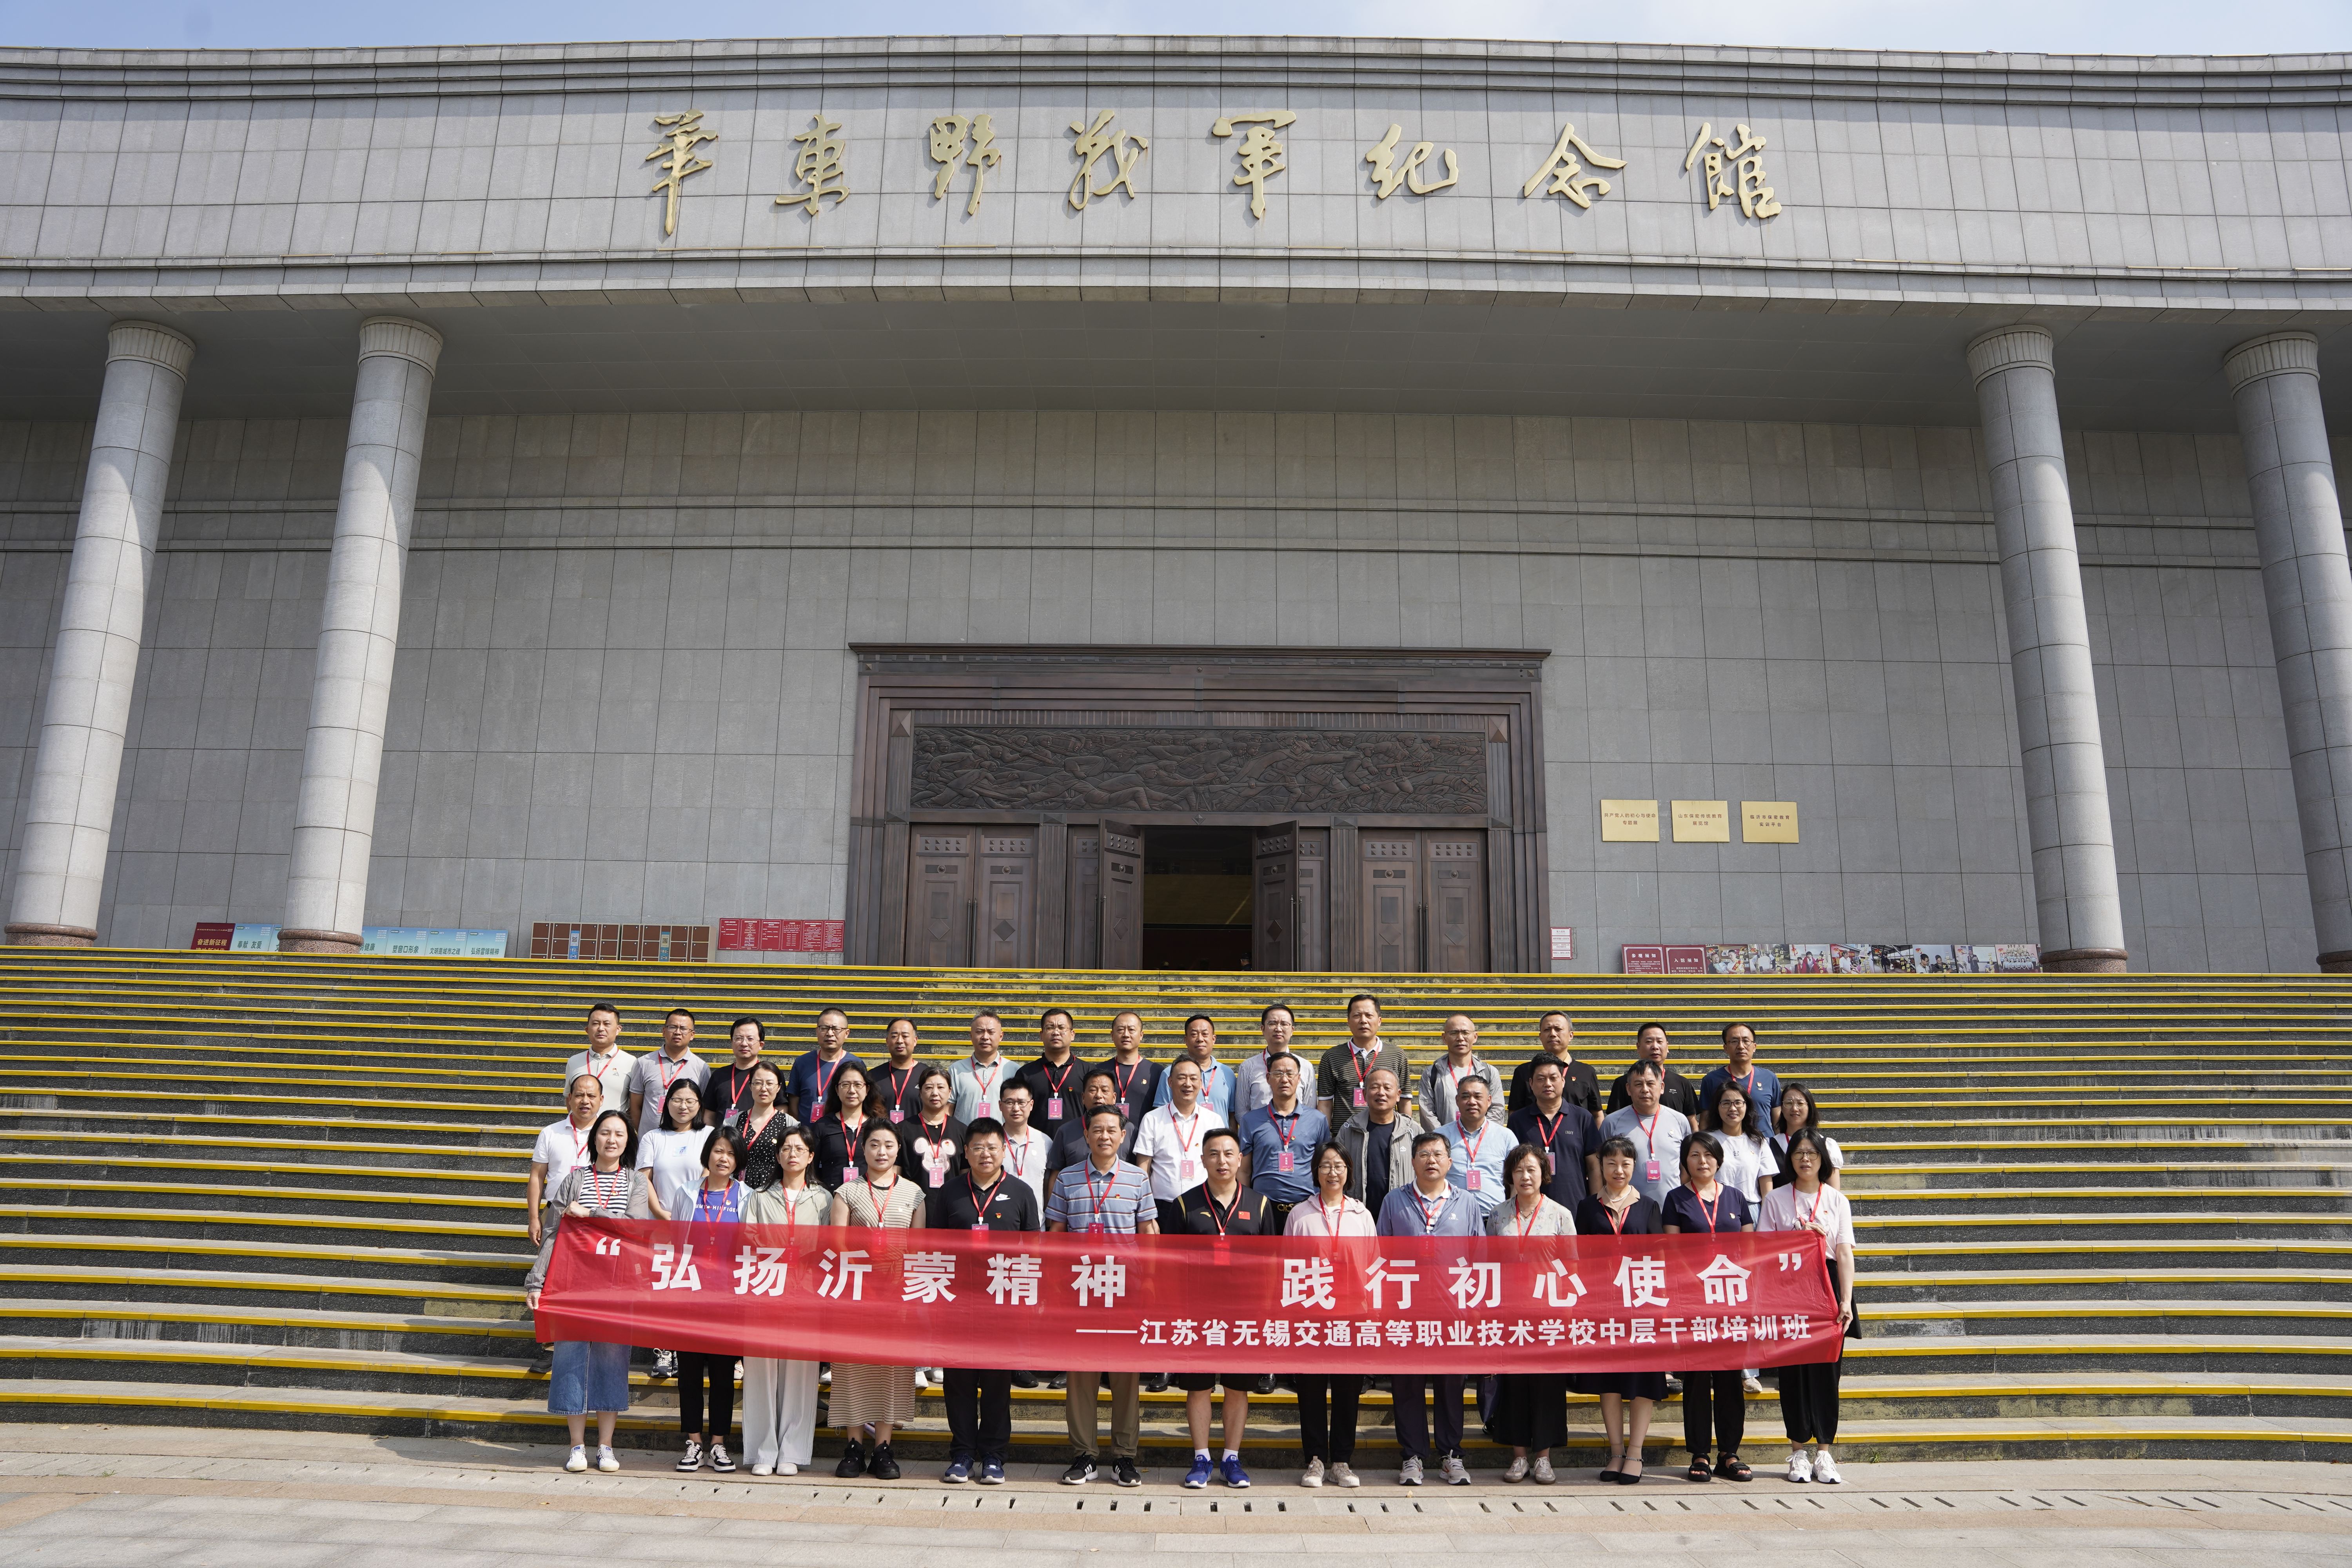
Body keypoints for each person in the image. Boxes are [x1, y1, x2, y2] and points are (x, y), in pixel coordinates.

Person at [524, 1107, 653, 1474]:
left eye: (620, 1134)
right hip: (574, 1284)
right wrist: (537, 1282)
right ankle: (577, 1446)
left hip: (617, 1285)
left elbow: (634, 1227)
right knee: (571, 1358)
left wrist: (591, 1213)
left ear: (628, 1142)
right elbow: (553, 1233)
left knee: (613, 1361)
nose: (612, 1140)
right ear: (594, 1137)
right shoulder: (575, 1179)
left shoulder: (636, 1182)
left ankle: (606, 1447)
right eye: (605, 1132)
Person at [1046, 1104, 1157, 1487]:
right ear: (1087, 1135)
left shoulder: (1137, 1178)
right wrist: (1055, 1284)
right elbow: (1056, 1233)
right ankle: (1085, 1455)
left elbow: (1148, 1232)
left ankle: (1124, 1457)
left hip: (1125, 1289)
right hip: (1080, 1288)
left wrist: (1150, 1281)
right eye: (1098, 1130)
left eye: (1112, 1130)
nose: (1105, 1136)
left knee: (1126, 1376)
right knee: (1081, 1376)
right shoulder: (1067, 1178)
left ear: (1123, 1136)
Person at [930, 1116, 1041, 1485]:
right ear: (966, 1152)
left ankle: (993, 1456)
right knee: (958, 1383)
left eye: (993, 1147)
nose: (985, 1154)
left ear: (1004, 1150)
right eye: (977, 1147)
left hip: (1003, 1304)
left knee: (996, 1383)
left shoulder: (1022, 1192)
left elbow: (1034, 1250)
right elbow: (935, 1247)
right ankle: (962, 1454)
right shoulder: (949, 1192)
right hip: (957, 1303)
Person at [1376, 1132, 1479, 1486]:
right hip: (1407, 1310)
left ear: (1450, 1162)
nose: (1431, 1160)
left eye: (1438, 1154)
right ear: (1413, 1162)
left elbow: (1479, 1257)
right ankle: (1413, 1456)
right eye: (1423, 1154)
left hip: (1453, 1312)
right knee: (1407, 1384)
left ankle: (1452, 1456)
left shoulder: (1467, 1202)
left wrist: (1474, 1307)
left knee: (1452, 1385)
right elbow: (1381, 1254)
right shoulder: (1394, 1201)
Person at [1169, 1128, 1269, 1488]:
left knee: (1237, 1387)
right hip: (1197, 1312)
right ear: (1203, 1160)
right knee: (1198, 1387)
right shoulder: (1184, 1204)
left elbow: (1271, 1264)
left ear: (1240, 1159)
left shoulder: (1260, 1204)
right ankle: (1201, 1458)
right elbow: (1170, 1264)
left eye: (1229, 1154)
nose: (1221, 1161)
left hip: (1243, 1314)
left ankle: (1231, 1458)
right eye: (1214, 1154)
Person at [1757, 1128, 1857, 1484]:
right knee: (1793, 1374)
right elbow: (1763, 1251)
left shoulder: (1837, 1200)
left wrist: (1846, 1300)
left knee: (1828, 1374)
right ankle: (1798, 1452)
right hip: (1789, 1287)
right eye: (1799, 1153)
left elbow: (1844, 1253)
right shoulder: (1776, 1199)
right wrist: (1795, 1239)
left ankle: (1825, 1453)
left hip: (1827, 1287)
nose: (1805, 1159)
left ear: (1822, 1159)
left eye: (1812, 1153)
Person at [829, 1120, 926, 1480]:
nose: (881, 1151)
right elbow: (838, 1244)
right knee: (851, 1368)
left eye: (888, 1145)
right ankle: (854, 1447)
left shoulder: (915, 1193)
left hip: (897, 1296)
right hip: (857, 1293)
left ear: (898, 1149)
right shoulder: (847, 1192)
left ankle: (884, 1448)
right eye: (874, 1144)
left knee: (892, 1370)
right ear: (863, 1149)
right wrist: (868, 1274)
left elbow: (918, 1247)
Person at [1662, 1132, 1756, 1484]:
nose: (1702, 1161)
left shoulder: (1735, 1197)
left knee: (1731, 1376)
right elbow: (1673, 1252)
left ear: (1719, 1160)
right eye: (1695, 1155)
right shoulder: (1676, 1199)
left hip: (1731, 1298)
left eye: (1708, 1155)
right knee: (1698, 1378)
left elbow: (1750, 1248)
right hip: (1693, 1300)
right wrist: (1698, 1285)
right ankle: (1700, 1453)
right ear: (1685, 1161)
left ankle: (1729, 1453)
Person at [1574, 1135, 1666, 1484]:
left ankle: (1636, 1453)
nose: (1618, 1170)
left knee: (1642, 1379)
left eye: (1625, 1164)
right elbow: (1579, 1258)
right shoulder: (1587, 1207)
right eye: (1611, 1163)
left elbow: (1659, 1258)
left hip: (1640, 1304)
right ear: (1601, 1166)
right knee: (1609, 1381)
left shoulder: (1649, 1206)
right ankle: (1615, 1452)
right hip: (1603, 1305)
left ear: (1634, 1166)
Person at [1285, 1143, 1374, 1488]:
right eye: (1325, 1166)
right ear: (1316, 1172)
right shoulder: (1300, 1215)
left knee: (1347, 1390)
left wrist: (1371, 1311)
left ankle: (1341, 1461)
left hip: (1352, 1314)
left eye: (1339, 1166)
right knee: (1310, 1389)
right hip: (1311, 1314)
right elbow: (1289, 1266)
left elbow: (1373, 1264)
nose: (1332, 1172)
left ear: (1348, 1171)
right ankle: (1315, 1460)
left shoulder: (1362, 1215)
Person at [742, 1125, 828, 1476]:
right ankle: (763, 1452)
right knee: (761, 1371)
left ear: (810, 1157)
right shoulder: (759, 1197)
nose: (793, 1154)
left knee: (801, 1373)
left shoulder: (824, 1199)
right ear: (778, 1157)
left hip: (806, 1295)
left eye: (800, 1149)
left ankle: (792, 1451)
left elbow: (830, 1248)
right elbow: (747, 1241)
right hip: (766, 1290)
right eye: (787, 1149)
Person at [1486, 1142, 1573, 1484]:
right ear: (1510, 1175)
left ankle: (1544, 1458)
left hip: (1548, 1313)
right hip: (1510, 1312)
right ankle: (1519, 1456)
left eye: (1532, 1170)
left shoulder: (1560, 1215)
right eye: (1519, 1170)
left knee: (1547, 1384)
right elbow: (1490, 1264)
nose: (1525, 1176)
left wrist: (1567, 1311)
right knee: (1515, 1384)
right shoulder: (1498, 1215)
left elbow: (1571, 1266)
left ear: (1544, 1174)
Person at [675, 1127, 750, 1473]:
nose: (724, 1158)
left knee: (723, 1375)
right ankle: (693, 1442)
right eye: (719, 1151)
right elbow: (675, 1241)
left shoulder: (748, 1196)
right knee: (689, 1373)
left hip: (729, 1300)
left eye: (731, 1153)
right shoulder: (686, 1193)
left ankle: (718, 1443)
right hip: (690, 1296)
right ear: (708, 1154)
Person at [633, 1077, 706, 1381]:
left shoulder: (708, 1135)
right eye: (677, 1100)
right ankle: (663, 1350)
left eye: (690, 1101)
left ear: (699, 1105)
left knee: (692, 1289)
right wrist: (663, 1214)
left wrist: (689, 1217)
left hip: (698, 1226)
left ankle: (688, 1348)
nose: (683, 1106)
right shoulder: (653, 1137)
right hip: (660, 1225)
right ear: (667, 1103)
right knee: (661, 1290)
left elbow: (710, 1177)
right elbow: (643, 1179)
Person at [1706, 1079, 1775, 1396]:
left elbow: (1766, 1187)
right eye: (1725, 1103)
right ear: (1717, 1108)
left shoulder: (1758, 1141)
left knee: (1749, 1296)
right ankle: (1716, 1364)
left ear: (1747, 1107)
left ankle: (1749, 1370)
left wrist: (1769, 1227)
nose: (1732, 1108)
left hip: (1753, 1216)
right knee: (1717, 1291)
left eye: (1738, 1103)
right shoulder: (1709, 1140)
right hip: (1716, 1216)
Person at [1238, 1050, 1326, 1233]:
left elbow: (1323, 1166)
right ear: (1268, 1078)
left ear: (1299, 1078)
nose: (1284, 1079)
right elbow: (1244, 1171)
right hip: (1264, 1208)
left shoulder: (1318, 1120)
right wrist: (1244, 1205)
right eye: (1278, 1073)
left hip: (1307, 1208)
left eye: (1290, 1074)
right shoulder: (1251, 1121)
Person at [1134, 1055, 1223, 1233]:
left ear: (1201, 1083)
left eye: (1194, 1078)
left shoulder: (1214, 1121)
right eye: (1182, 1078)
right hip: (1162, 1208)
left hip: (1204, 1206)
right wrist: (1148, 1215)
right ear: (1170, 1082)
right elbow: (1143, 1170)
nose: (1188, 1084)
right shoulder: (1152, 1119)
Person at [1507, 1055, 1599, 1211]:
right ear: (1531, 1083)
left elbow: (1594, 1166)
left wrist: (1596, 1206)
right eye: (1541, 1079)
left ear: (1563, 1081)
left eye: (1553, 1078)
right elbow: (1513, 1167)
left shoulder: (1583, 1118)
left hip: (1576, 1207)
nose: (1548, 1084)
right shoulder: (1518, 1120)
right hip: (1529, 1209)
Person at [1332, 1065, 1423, 1214]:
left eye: (1388, 1088)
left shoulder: (1413, 1131)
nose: (1381, 1093)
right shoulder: (1349, 1130)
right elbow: (1337, 1172)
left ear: (1398, 1095)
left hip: (1403, 1213)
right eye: (1375, 1087)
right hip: (1357, 1214)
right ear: (1365, 1094)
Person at [1598, 1060, 1690, 1206]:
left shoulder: (1680, 1121)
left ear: (1662, 1087)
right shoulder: (1612, 1123)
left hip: (1672, 1208)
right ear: (1628, 1089)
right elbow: (1601, 1168)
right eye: (1639, 1084)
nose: (1645, 1090)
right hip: (1627, 1209)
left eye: (1651, 1084)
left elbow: (1686, 1168)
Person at [1316, 993, 1409, 1120]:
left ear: (1379, 1021)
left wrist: (1406, 1129)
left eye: (1369, 1015)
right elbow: (1325, 1104)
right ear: (1349, 1022)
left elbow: (1404, 1101)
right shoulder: (1332, 1057)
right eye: (1357, 1015)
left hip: (1387, 1130)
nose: (1363, 1021)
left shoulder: (1397, 1055)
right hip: (1345, 1131)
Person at [628, 1008, 710, 1136]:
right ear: (664, 1031)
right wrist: (645, 1135)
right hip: (649, 1139)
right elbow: (635, 1106)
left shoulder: (701, 1068)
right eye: (673, 1027)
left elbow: (703, 1108)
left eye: (684, 1029)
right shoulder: (644, 1063)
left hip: (685, 1140)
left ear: (692, 1035)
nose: (678, 1032)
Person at [1507, 1011, 1601, 1119]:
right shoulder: (1524, 1071)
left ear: (1571, 1035)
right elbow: (1514, 1114)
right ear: (1540, 1037)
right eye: (1547, 1030)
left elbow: (1597, 1114)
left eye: (1558, 1029)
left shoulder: (1586, 1071)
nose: (1553, 1034)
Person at [1439, 1075, 1509, 1219]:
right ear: (1457, 1101)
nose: (1472, 1102)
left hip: (1495, 1219)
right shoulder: (1440, 1137)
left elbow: (1515, 1181)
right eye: (1466, 1096)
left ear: (1489, 1101)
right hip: (1453, 1218)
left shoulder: (1506, 1137)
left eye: (1478, 1097)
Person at [1016, 1008, 1087, 1144]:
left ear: (1072, 1035)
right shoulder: (1026, 1073)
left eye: (1062, 1028)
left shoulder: (1087, 1072)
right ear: (1041, 1035)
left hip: (1076, 1145)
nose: (1056, 1032)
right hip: (1034, 1145)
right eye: (1050, 1028)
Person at [1421, 1014, 1504, 1125]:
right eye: (1454, 1033)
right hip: (1444, 1136)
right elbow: (1427, 1113)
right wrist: (1443, 1136)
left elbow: (1497, 1109)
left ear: (1475, 1037)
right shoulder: (1432, 1074)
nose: (1460, 1038)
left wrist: (1483, 1134)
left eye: (1465, 1033)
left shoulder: (1489, 1072)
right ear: (1445, 1038)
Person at [1151, 1014, 1237, 1122]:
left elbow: (1232, 1115)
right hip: (1181, 1132)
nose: (1200, 1039)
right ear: (1186, 1040)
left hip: (1219, 1133)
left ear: (1214, 1039)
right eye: (1194, 1034)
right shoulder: (1170, 1073)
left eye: (1205, 1034)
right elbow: (1160, 1114)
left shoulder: (1227, 1073)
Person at [1606, 1022, 1700, 1117]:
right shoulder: (1623, 1083)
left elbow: (1691, 1123)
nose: (1655, 1047)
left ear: (1667, 1047)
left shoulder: (1682, 1083)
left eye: (1660, 1042)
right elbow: (1614, 1120)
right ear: (1638, 1047)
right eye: (1649, 1042)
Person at [1051, 1068, 1136, 1172]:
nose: (1099, 1096)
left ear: (1114, 1098)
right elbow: (1056, 1174)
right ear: (1083, 1097)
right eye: (1092, 1090)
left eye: (1105, 1091)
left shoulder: (1130, 1130)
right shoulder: (1066, 1131)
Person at [1699, 1022, 1781, 1129]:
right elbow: (1705, 1122)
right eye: (1734, 1041)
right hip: (1725, 1139)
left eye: (1746, 1041)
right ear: (1726, 1048)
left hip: (1763, 1139)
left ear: (1754, 1047)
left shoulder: (1769, 1078)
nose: (1741, 1046)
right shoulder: (1711, 1080)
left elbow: (1778, 1122)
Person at [808, 1062, 876, 1191]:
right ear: (837, 1090)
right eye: (845, 1085)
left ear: (867, 1089)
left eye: (858, 1085)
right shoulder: (823, 1126)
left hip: (869, 1198)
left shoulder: (877, 1127)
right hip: (830, 1198)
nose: (852, 1091)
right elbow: (812, 1169)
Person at [902, 1063, 967, 1192]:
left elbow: (965, 1175)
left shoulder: (962, 1131)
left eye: (941, 1087)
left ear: (950, 1092)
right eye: (929, 1088)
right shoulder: (904, 1130)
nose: (935, 1093)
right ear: (920, 1092)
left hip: (951, 1202)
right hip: (912, 1201)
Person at [731, 1061, 797, 1191]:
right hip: (738, 1191)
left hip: (774, 1192)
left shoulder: (790, 1124)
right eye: (758, 1083)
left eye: (770, 1083)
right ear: (751, 1087)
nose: (764, 1088)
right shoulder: (734, 1121)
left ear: (779, 1088)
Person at [787, 1007, 860, 1122]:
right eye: (824, 1028)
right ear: (817, 1031)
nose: (830, 1033)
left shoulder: (856, 1064)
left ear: (847, 1034)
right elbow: (793, 1102)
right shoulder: (802, 1063)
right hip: (806, 1132)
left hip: (840, 1131)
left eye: (836, 1029)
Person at [1772, 1082, 1845, 1189]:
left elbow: (1834, 1192)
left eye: (1800, 1103)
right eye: (1789, 1103)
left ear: (1810, 1107)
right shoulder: (1769, 1145)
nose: (1795, 1108)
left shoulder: (1827, 1145)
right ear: (1782, 1108)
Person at [701, 1016, 769, 1129]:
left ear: (761, 1045)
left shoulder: (769, 1075)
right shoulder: (719, 1076)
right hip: (723, 1138)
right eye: (739, 1038)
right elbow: (710, 1115)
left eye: (750, 1039)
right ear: (732, 1042)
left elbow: (781, 1110)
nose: (744, 1043)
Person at [563, 1002, 634, 1109]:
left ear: (618, 1030)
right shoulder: (574, 1061)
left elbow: (636, 1104)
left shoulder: (631, 1062)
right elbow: (569, 1099)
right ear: (587, 1030)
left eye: (607, 1024)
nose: (601, 1029)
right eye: (596, 1024)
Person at [1096, 1010, 1162, 1123]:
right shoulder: (1099, 1071)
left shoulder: (1156, 1072)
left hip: (1144, 1134)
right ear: (1112, 1035)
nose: (1126, 1035)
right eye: (1120, 1030)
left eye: (1131, 1030)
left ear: (1141, 1035)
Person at [1233, 1002, 1298, 1118]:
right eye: (1272, 1024)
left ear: (1292, 1030)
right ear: (1263, 1029)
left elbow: (1309, 1109)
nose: (1278, 1029)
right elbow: (1242, 1112)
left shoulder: (1305, 1067)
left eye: (1284, 1024)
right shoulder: (1248, 1067)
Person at [997, 1079, 1053, 1210]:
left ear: (1031, 1105)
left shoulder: (1045, 1142)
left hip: (1036, 1220)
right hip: (999, 1219)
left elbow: (1047, 1187)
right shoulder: (992, 1143)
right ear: (1000, 1105)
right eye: (1010, 1102)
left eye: (1022, 1102)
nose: (1016, 1108)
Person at [949, 1009, 1012, 1124]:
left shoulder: (1013, 1070)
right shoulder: (956, 1070)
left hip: (1001, 1135)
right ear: (971, 1036)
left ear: (1001, 1036)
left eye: (991, 1032)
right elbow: (948, 1109)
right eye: (979, 1032)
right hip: (965, 1135)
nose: (985, 1037)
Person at [874, 1016, 924, 1125]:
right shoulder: (873, 1076)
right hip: (882, 1134)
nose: (900, 1041)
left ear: (915, 1041)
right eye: (894, 1036)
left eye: (905, 1036)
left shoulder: (927, 1076)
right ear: (887, 1041)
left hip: (918, 1135)